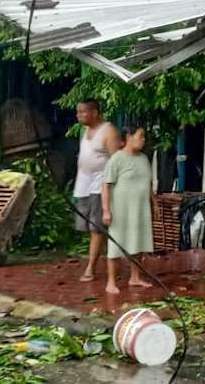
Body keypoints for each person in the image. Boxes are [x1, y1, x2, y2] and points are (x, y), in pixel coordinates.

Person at [101, 126, 154, 294]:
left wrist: (155, 204)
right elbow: (106, 186)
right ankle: (111, 282)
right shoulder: (117, 159)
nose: (143, 139)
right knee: (116, 244)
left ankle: (135, 277)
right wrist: (106, 210)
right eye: (141, 136)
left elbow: (149, 184)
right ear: (129, 137)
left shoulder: (144, 159)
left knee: (138, 242)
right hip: (121, 210)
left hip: (140, 209)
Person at [73, 99, 120, 282]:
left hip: (100, 185)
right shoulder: (85, 131)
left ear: (95, 112)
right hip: (83, 184)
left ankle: (90, 268)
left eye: (83, 112)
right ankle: (107, 257)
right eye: (78, 112)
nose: (79, 116)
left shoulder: (108, 131)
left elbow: (117, 161)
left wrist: (114, 186)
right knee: (87, 226)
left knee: (96, 228)